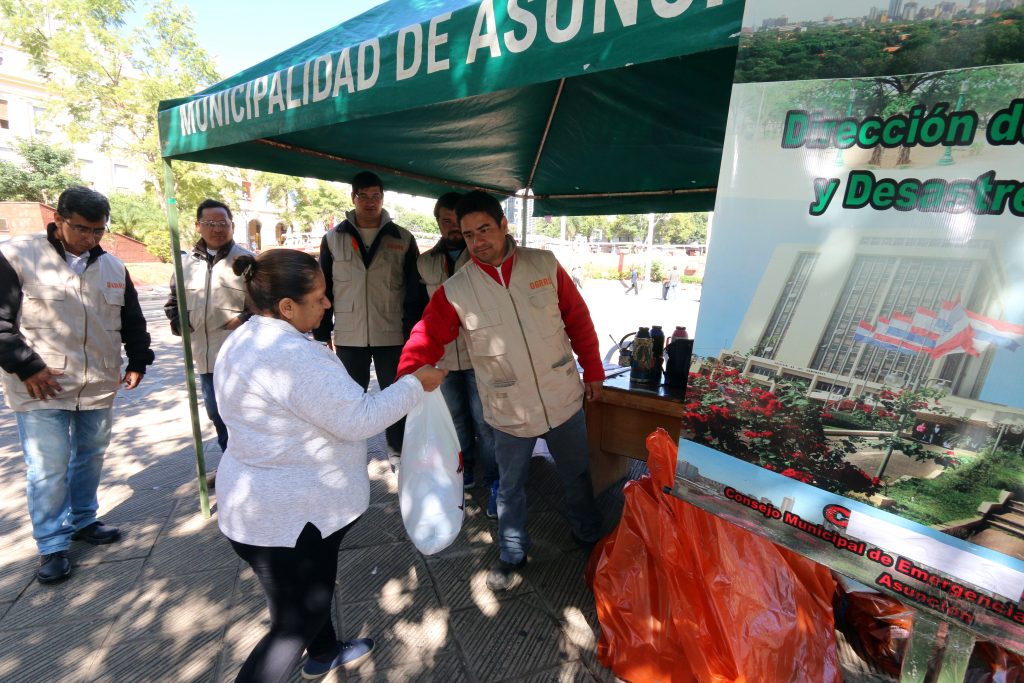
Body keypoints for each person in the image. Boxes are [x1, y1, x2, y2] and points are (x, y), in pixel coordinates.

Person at [214, 249, 444, 683]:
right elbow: (359, 419)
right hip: (293, 518)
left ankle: (324, 652)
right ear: (287, 306)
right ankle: (306, 650)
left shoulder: (246, 337)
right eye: (318, 297)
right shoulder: (293, 356)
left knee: (294, 602)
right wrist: (416, 383)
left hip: (258, 509)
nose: (327, 303)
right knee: (293, 626)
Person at [398, 191, 605, 592]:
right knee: (510, 488)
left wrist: (593, 370)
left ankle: (588, 535)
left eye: (485, 230)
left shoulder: (544, 264)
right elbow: (426, 335)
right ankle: (512, 552)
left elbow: (578, 319)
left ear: (504, 225)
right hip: (508, 406)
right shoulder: (457, 289)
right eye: (469, 234)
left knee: (577, 475)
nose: (478, 241)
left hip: (562, 395)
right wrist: (407, 379)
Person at [0, 186, 154, 584]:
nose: (91, 238)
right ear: (59, 220)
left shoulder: (113, 267)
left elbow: (132, 321)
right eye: (83, 229)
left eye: (99, 230)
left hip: (98, 383)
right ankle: (52, 544)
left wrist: (138, 360)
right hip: (42, 385)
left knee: (91, 455)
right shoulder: (17, 256)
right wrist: (26, 367)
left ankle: (84, 520)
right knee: (47, 467)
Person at [313, 171, 427, 455]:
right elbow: (324, 289)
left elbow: (414, 292)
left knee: (397, 396)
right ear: (353, 198)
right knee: (348, 399)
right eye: (363, 196)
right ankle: (348, 453)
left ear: (382, 198)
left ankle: (399, 452)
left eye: (375, 196)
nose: (370, 202)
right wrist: (322, 334)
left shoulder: (402, 238)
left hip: (393, 334)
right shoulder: (333, 239)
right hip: (349, 336)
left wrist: (413, 334)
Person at [416, 192, 498, 510]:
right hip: (444, 359)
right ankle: (463, 474)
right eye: (445, 221)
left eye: (456, 221)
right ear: (438, 223)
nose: (451, 227)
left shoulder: (482, 257)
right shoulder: (424, 261)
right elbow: (418, 312)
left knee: (485, 422)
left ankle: (495, 481)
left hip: (481, 357)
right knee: (454, 421)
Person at [164, 199, 252, 486]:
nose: (217, 229)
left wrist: (242, 319)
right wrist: (181, 323)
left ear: (232, 226)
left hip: (239, 356)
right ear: (198, 225)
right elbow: (172, 303)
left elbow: (263, 304)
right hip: (204, 355)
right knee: (216, 413)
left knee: (242, 414)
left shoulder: (247, 261)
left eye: (223, 223)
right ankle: (231, 464)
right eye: (210, 223)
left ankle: (246, 468)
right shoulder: (184, 264)